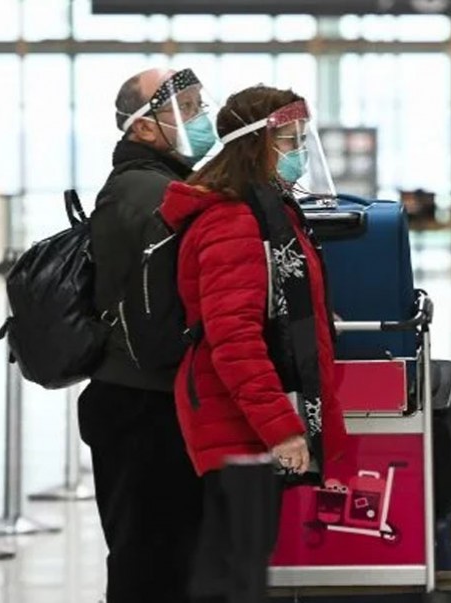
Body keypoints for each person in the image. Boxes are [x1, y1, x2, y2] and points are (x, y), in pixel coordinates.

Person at [157, 85, 348, 602]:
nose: (299, 151)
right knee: (231, 571)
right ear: (256, 144)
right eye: (289, 140)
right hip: (234, 424)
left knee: (240, 564)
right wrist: (282, 430)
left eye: (303, 138)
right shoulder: (234, 220)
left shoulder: (267, 211)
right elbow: (234, 339)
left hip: (245, 419)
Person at [79, 67, 218, 603]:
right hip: (143, 405)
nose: (200, 118)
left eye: (200, 105)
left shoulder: (162, 183)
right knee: (150, 561)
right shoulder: (150, 192)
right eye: (186, 108)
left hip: (145, 397)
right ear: (141, 127)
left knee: (164, 554)